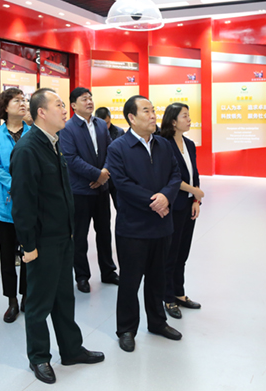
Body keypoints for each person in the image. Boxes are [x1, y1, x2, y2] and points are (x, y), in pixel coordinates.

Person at [11, 88, 104, 384]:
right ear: (41, 112)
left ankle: (71, 349)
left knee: (64, 298)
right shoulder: (28, 149)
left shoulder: (54, 142)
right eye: (60, 105)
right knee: (39, 302)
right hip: (42, 241)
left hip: (63, 236)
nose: (65, 110)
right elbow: (23, 203)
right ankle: (39, 357)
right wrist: (27, 245)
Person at [106, 95, 183, 353]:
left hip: (162, 225)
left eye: (153, 110)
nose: (153, 115)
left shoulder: (163, 144)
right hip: (133, 227)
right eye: (146, 111)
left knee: (158, 278)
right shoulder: (118, 147)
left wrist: (166, 197)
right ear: (131, 117)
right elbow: (122, 184)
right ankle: (126, 329)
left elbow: (175, 175)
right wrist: (155, 201)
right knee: (130, 281)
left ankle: (157, 322)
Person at [60, 88, 119, 293]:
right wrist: (96, 175)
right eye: (84, 99)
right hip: (80, 191)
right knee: (80, 236)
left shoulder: (101, 124)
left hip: (101, 190)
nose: (89, 101)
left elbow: (111, 150)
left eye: (90, 98)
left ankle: (108, 271)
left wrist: (104, 173)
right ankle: (82, 276)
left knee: (104, 233)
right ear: (73, 105)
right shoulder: (67, 128)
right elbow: (70, 158)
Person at [0, 88, 30, 323]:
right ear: (5, 107)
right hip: (4, 205)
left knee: (28, 253)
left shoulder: (33, 133)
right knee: (6, 256)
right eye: (17, 101)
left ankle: (26, 296)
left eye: (24, 100)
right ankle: (11, 300)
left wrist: (26, 187)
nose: (23, 104)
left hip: (30, 204)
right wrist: (17, 185)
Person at [159, 103, 204, 319]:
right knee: (171, 253)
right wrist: (194, 190)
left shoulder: (190, 144)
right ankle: (167, 297)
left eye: (189, 115)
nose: (189, 119)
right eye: (185, 116)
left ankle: (179, 293)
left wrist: (195, 199)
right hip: (173, 206)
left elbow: (194, 173)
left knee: (182, 252)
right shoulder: (163, 144)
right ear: (173, 121)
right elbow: (170, 178)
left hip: (188, 205)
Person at [95, 106, 125, 210]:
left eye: (107, 123)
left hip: (115, 175)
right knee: (102, 210)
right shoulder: (93, 132)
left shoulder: (119, 132)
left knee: (120, 206)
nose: (105, 126)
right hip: (100, 175)